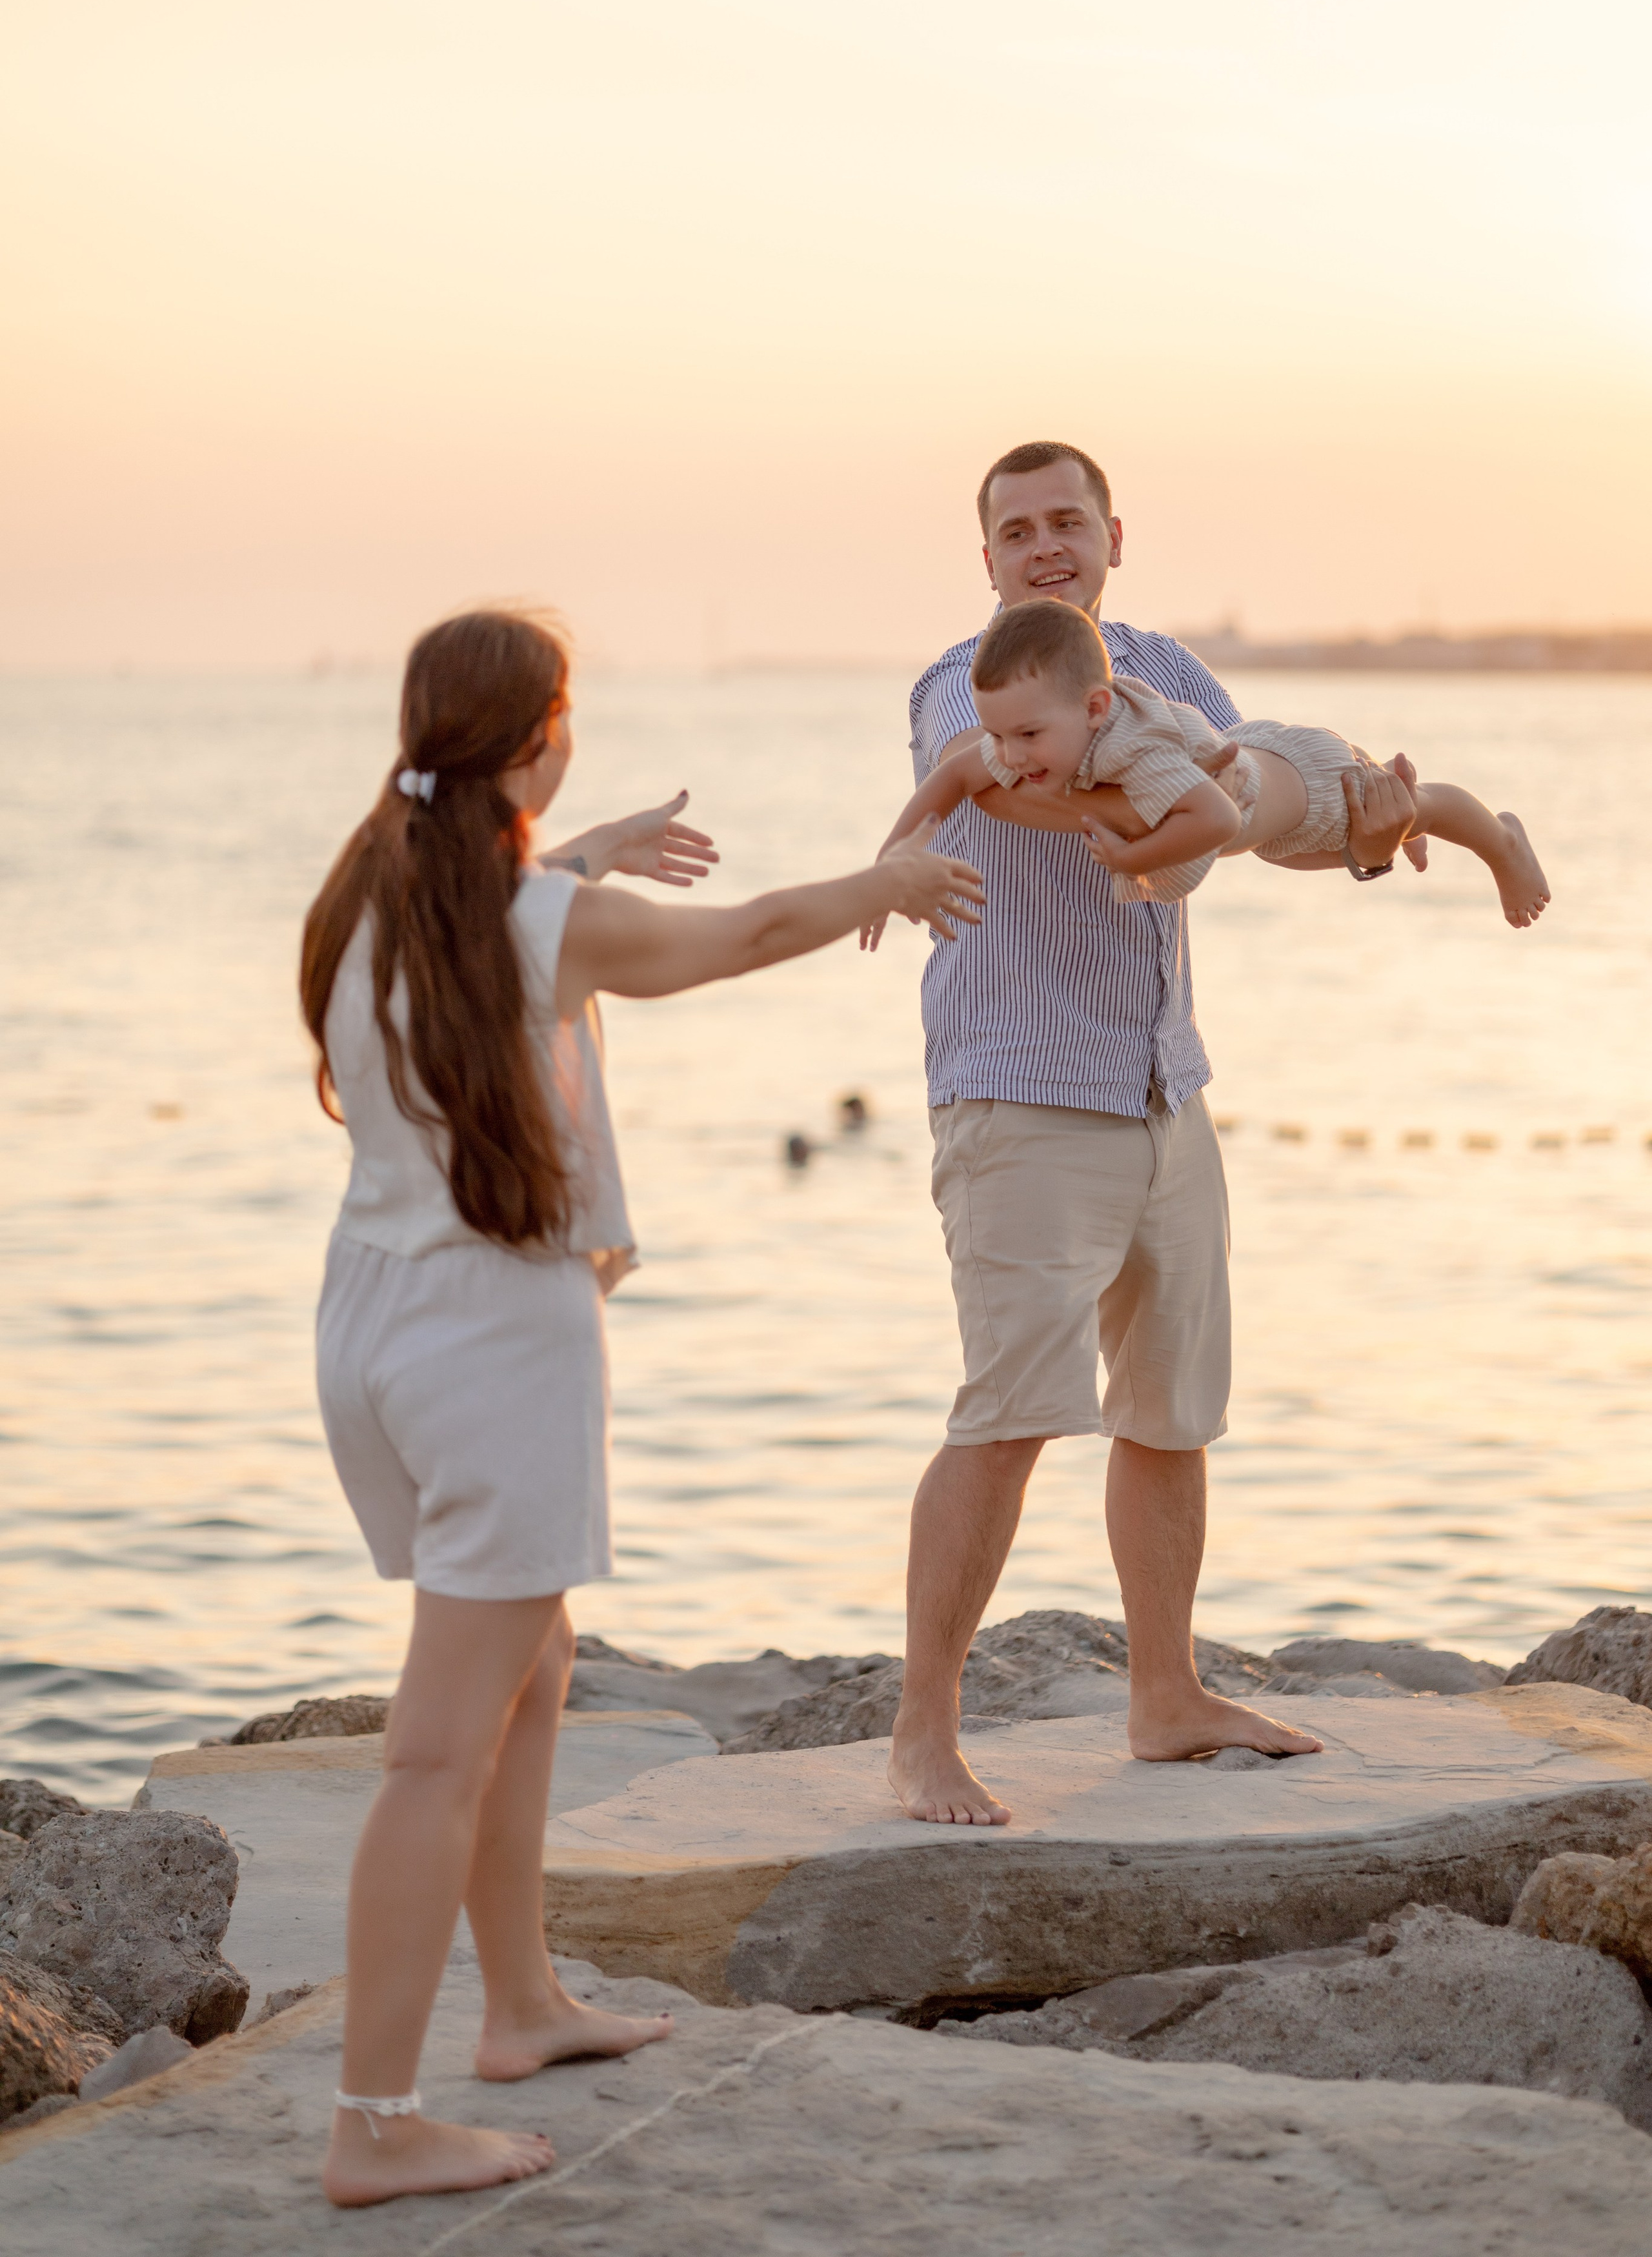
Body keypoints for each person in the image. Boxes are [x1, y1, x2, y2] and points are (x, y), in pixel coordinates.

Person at [299, 605, 982, 2207]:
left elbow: (506, 913)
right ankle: (372, 2122)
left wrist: (571, 852)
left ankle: (522, 2003)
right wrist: (882, 883)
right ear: (539, 732)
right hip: (494, 1343)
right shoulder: (538, 920)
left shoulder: (366, 889)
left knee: (529, 1668)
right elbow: (736, 938)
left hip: (371, 1322)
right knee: (432, 1751)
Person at [883, 440, 1426, 1828]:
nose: (1044, 543)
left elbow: (1247, 807)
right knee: (1006, 1421)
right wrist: (1179, 817)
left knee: (1170, 1416)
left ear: (1113, 533)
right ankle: (920, 1738)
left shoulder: (1168, 672)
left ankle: (1165, 1694)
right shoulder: (973, 676)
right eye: (1017, 528)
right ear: (988, 556)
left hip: (1159, 1088)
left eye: (1067, 520)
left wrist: (1364, 824)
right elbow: (1020, 789)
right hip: (1019, 1092)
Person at [871, 600, 1549, 922]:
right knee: (1290, 851)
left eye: (1025, 737)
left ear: (1096, 710)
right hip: (1264, 794)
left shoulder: (1134, 751)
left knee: (1422, 802)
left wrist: (1129, 860)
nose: (1011, 757)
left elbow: (1218, 819)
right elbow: (957, 773)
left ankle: (1500, 840)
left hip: (1306, 780)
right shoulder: (1028, 725)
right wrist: (888, 863)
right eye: (999, 738)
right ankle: (1411, 829)